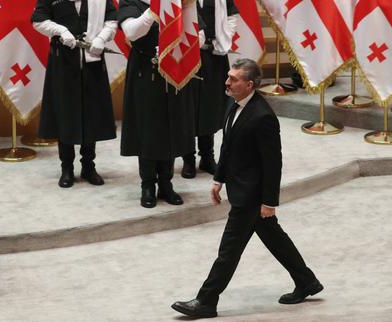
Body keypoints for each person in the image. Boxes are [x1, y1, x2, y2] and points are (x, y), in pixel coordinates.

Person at [171, 59, 323, 318]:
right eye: (228, 77)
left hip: (251, 196)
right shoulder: (234, 103)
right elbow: (228, 146)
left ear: (249, 84)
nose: (227, 82)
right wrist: (219, 179)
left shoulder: (263, 117)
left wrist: (269, 202)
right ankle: (307, 281)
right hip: (239, 187)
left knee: (228, 251)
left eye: (233, 79)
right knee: (275, 239)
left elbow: (273, 164)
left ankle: (206, 301)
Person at [117, 0, 196, 208]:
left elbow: (197, 30)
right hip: (145, 69)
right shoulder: (132, 2)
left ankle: (166, 183)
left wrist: (179, 48)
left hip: (174, 68)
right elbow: (131, 32)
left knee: (170, 126)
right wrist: (155, 9)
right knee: (148, 128)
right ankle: (148, 184)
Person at [32, 0, 117, 188]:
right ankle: (67, 168)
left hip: (92, 61)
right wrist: (60, 30)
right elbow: (38, 20)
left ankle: (88, 166)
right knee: (65, 114)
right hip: (63, 62)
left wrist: (101, 38)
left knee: (92, 114)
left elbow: (112, 20)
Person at [181, 0, 238, 179]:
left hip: (215, 56)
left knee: (210, 106)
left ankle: (207, 157)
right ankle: (188, 160)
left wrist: (225, 36)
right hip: (187, 55)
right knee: (188, 107)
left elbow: (231, 16)